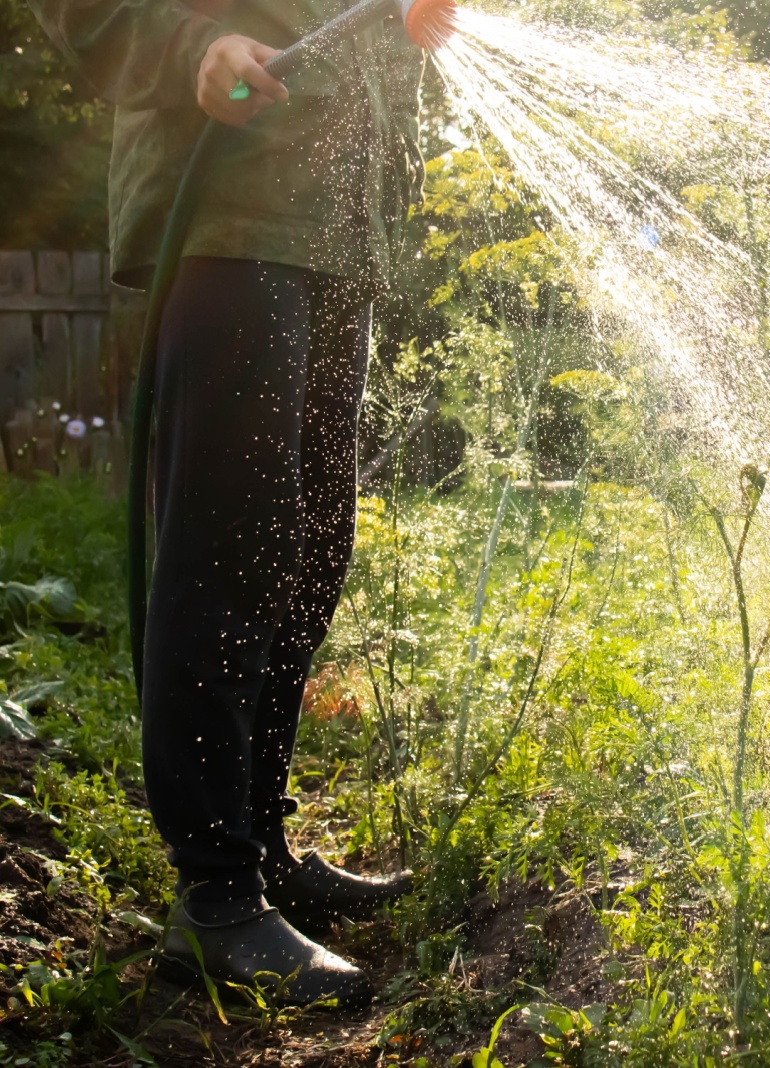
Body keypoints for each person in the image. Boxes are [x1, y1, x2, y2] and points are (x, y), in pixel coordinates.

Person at [25, 0, 428, 1006]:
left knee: (308, 549)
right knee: (232, 549)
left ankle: (263, 848)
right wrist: (189, 47)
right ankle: (215, 895)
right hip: (229, 210)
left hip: (338, 226)